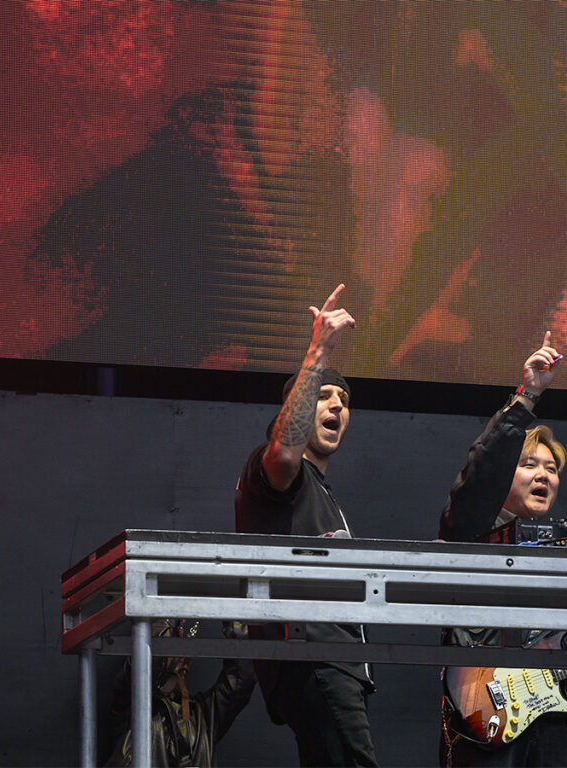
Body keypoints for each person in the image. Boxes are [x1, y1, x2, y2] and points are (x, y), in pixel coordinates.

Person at [438, 331, 567, 767]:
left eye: (551, 468)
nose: (543, 475)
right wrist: (528, 393)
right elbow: (480, 475)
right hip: (483, 726)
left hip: (555, 736)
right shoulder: (476, 532)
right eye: (529, 464)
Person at [234, 283, 378, 767]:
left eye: (343, 399)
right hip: (314, 661)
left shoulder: (323, 495)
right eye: (323, 396)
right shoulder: (275, 470)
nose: (336, 406)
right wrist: (317, 352)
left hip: (332, 667)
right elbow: (284, 451)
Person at [104, 620, 256, 767]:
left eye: (182, 653)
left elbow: (241, 678)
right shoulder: (130, 707)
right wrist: (170, 617)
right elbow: (148, 658)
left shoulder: (202, 717)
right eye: (173, 648)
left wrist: (233, 619)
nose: (180, 659)